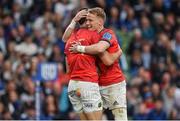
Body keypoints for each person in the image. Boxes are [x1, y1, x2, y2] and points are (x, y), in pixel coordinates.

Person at [70, 7, 128, 120]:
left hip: (113, 84)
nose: (87, 23)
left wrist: (80, 48)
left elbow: (105, 57)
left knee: (120, 118)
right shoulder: (87, 37)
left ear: (100, 22)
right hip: (94, 85)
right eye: (86, 20)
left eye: (90, 20)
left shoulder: (108, 34)